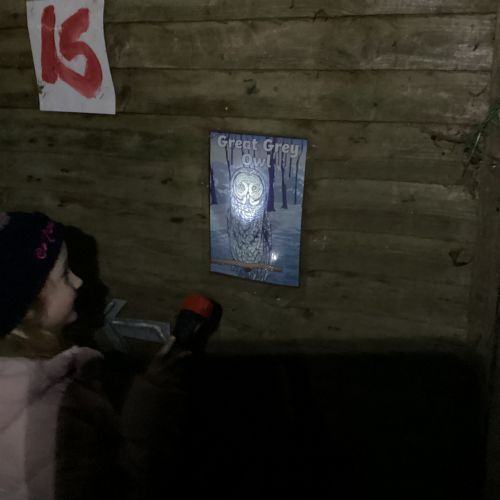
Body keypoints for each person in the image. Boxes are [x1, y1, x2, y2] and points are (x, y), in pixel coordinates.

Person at [0, 211, 198, 500]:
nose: (79, 281)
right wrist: (144, 422)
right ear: (28, 311)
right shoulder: (55, 419)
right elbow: (125, 486)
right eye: (65, 274)